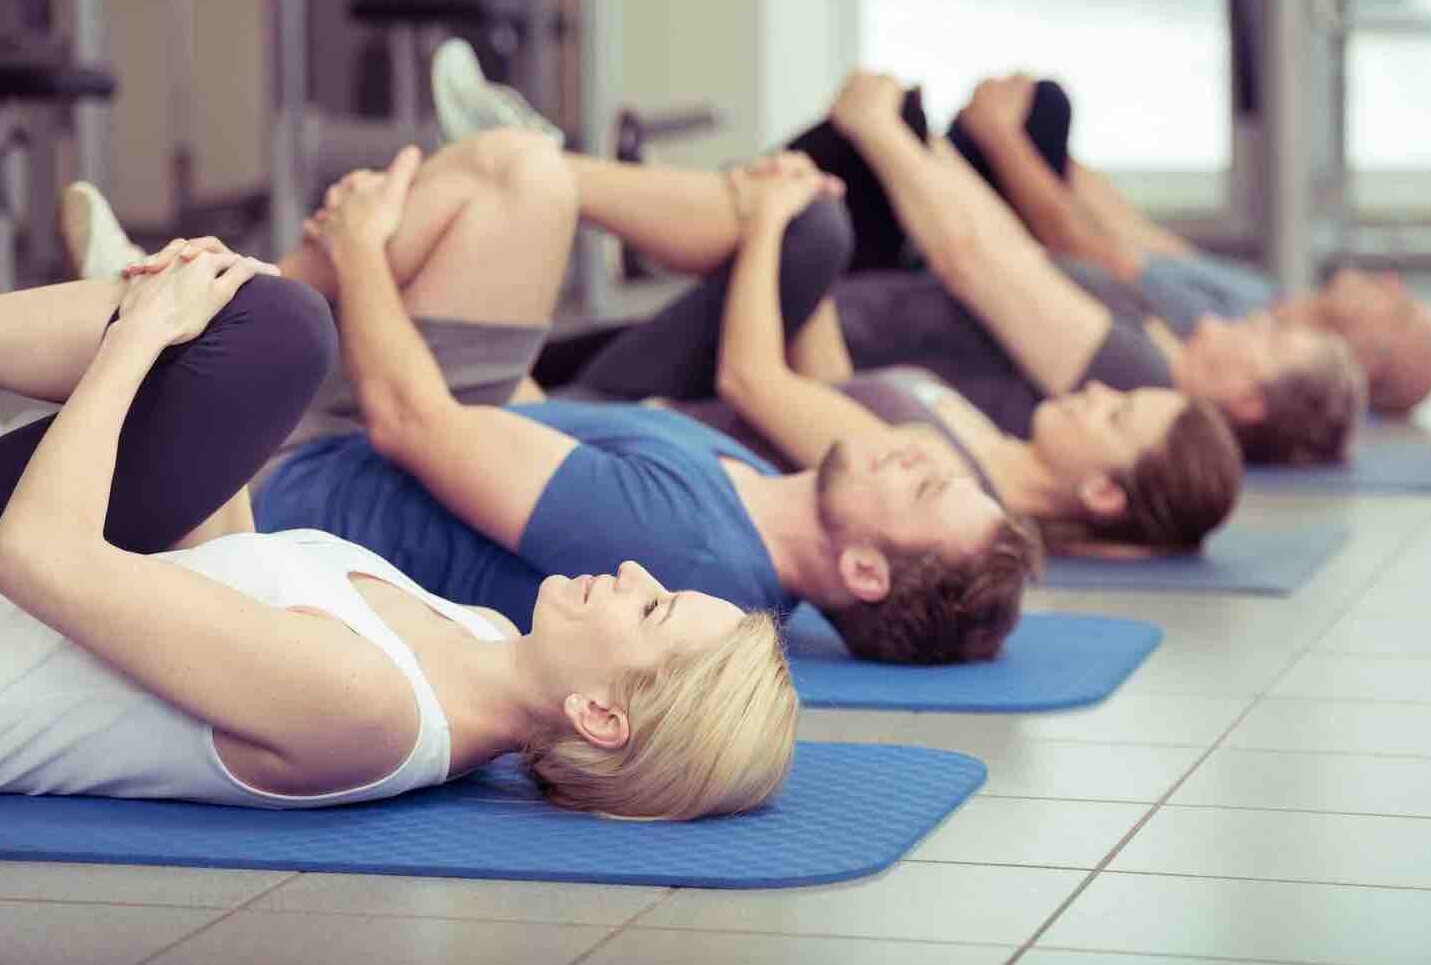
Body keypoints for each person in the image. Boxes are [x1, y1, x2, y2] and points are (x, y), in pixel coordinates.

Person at [114, 130, 1024, 666]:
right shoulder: (754, 486)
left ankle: (174, 305)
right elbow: (531, 419)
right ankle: (195, 293)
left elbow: (409, 424)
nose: (919, 454)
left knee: (500, 181)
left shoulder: (688, 546)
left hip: (271, 476)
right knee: (523, 177)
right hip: (385, 428)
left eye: (926, 490)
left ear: (865, 571)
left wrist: (362, 248)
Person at [0, 244, 796, 821]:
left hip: (21, 575)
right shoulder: (475, 634)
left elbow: (37, 553)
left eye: (651, 609)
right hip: (34, 568)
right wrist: (205, 379)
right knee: (263, 337)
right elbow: (220, 568)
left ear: (599, 715)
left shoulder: (367, 707)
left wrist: (136, 337)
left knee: (271, 330)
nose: (633, 571)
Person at [529, 148, 1241, 560]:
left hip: (607, 418)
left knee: (802, 221)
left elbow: (749, 380)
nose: (1098, 392)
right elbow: (834, 383)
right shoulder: (982, 444)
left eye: (1114, 415)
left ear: (1102, 492)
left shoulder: (936, 478)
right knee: (815, 219)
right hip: (651, 397)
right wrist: (799, 244)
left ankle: (534, 173)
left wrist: (771, 229)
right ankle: (539, 173)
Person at [786, 71, 1366, 467]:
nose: (1262, 322)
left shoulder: (1136, 378)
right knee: (897, 131)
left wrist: (876, 126)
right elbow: (1014, 249)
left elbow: (974, 264)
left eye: (1276, 341)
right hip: (870, 294)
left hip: (843, 318)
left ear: (1247, 400)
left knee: (827, 190)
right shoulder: (1159, 341)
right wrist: (923, 141)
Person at [944, 74, 1431, 417]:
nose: (1390, 283)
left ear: (1371, 356)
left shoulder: (1212, 334)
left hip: (988, 254)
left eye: (1402, 306)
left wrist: (1001, 134)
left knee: (1044, 108)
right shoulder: (1260, 299)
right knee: (1046, 109)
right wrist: (1053, 163)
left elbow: (1078, 245)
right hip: (1009, 229)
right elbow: (1130, 230)